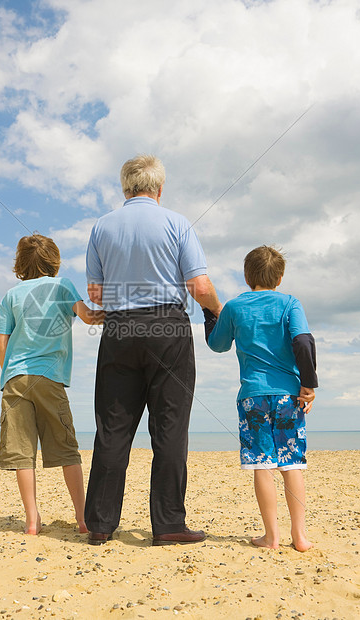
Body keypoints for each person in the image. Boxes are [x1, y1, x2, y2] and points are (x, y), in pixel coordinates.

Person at [84, 154, 223, 546]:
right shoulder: (178, 223)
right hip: (168, 327)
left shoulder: (101, 227)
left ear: (125, 187)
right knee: (170, 428)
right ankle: (168, 524)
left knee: (112, 429)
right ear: (159, 188)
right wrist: (217, 309)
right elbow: (198, 285)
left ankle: (99, 524)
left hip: (119, 328)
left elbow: (96, 293)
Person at [204, 245, 318, 552]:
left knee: (262, 464)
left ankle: (271, 536)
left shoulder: (235, 307)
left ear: (246, 276)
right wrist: (308, 385)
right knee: (292, 463)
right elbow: (304, 342)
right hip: (288, 395)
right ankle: (300, 536)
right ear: (279, 277)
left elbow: (217, 345)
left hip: (253, 396)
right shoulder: (289, 303)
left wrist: (209, 313)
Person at [0, 234, 104, 535]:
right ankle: (82, 519)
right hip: (49, 377)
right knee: (67, 449)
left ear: (20, 263)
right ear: (54, 260)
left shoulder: (11, 296)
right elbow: (88, 317)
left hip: (15, 379)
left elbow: (1, 345)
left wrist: (9, 374)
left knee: (22, 453)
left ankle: (32, 521)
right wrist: (116, 314)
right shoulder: (63, 286)